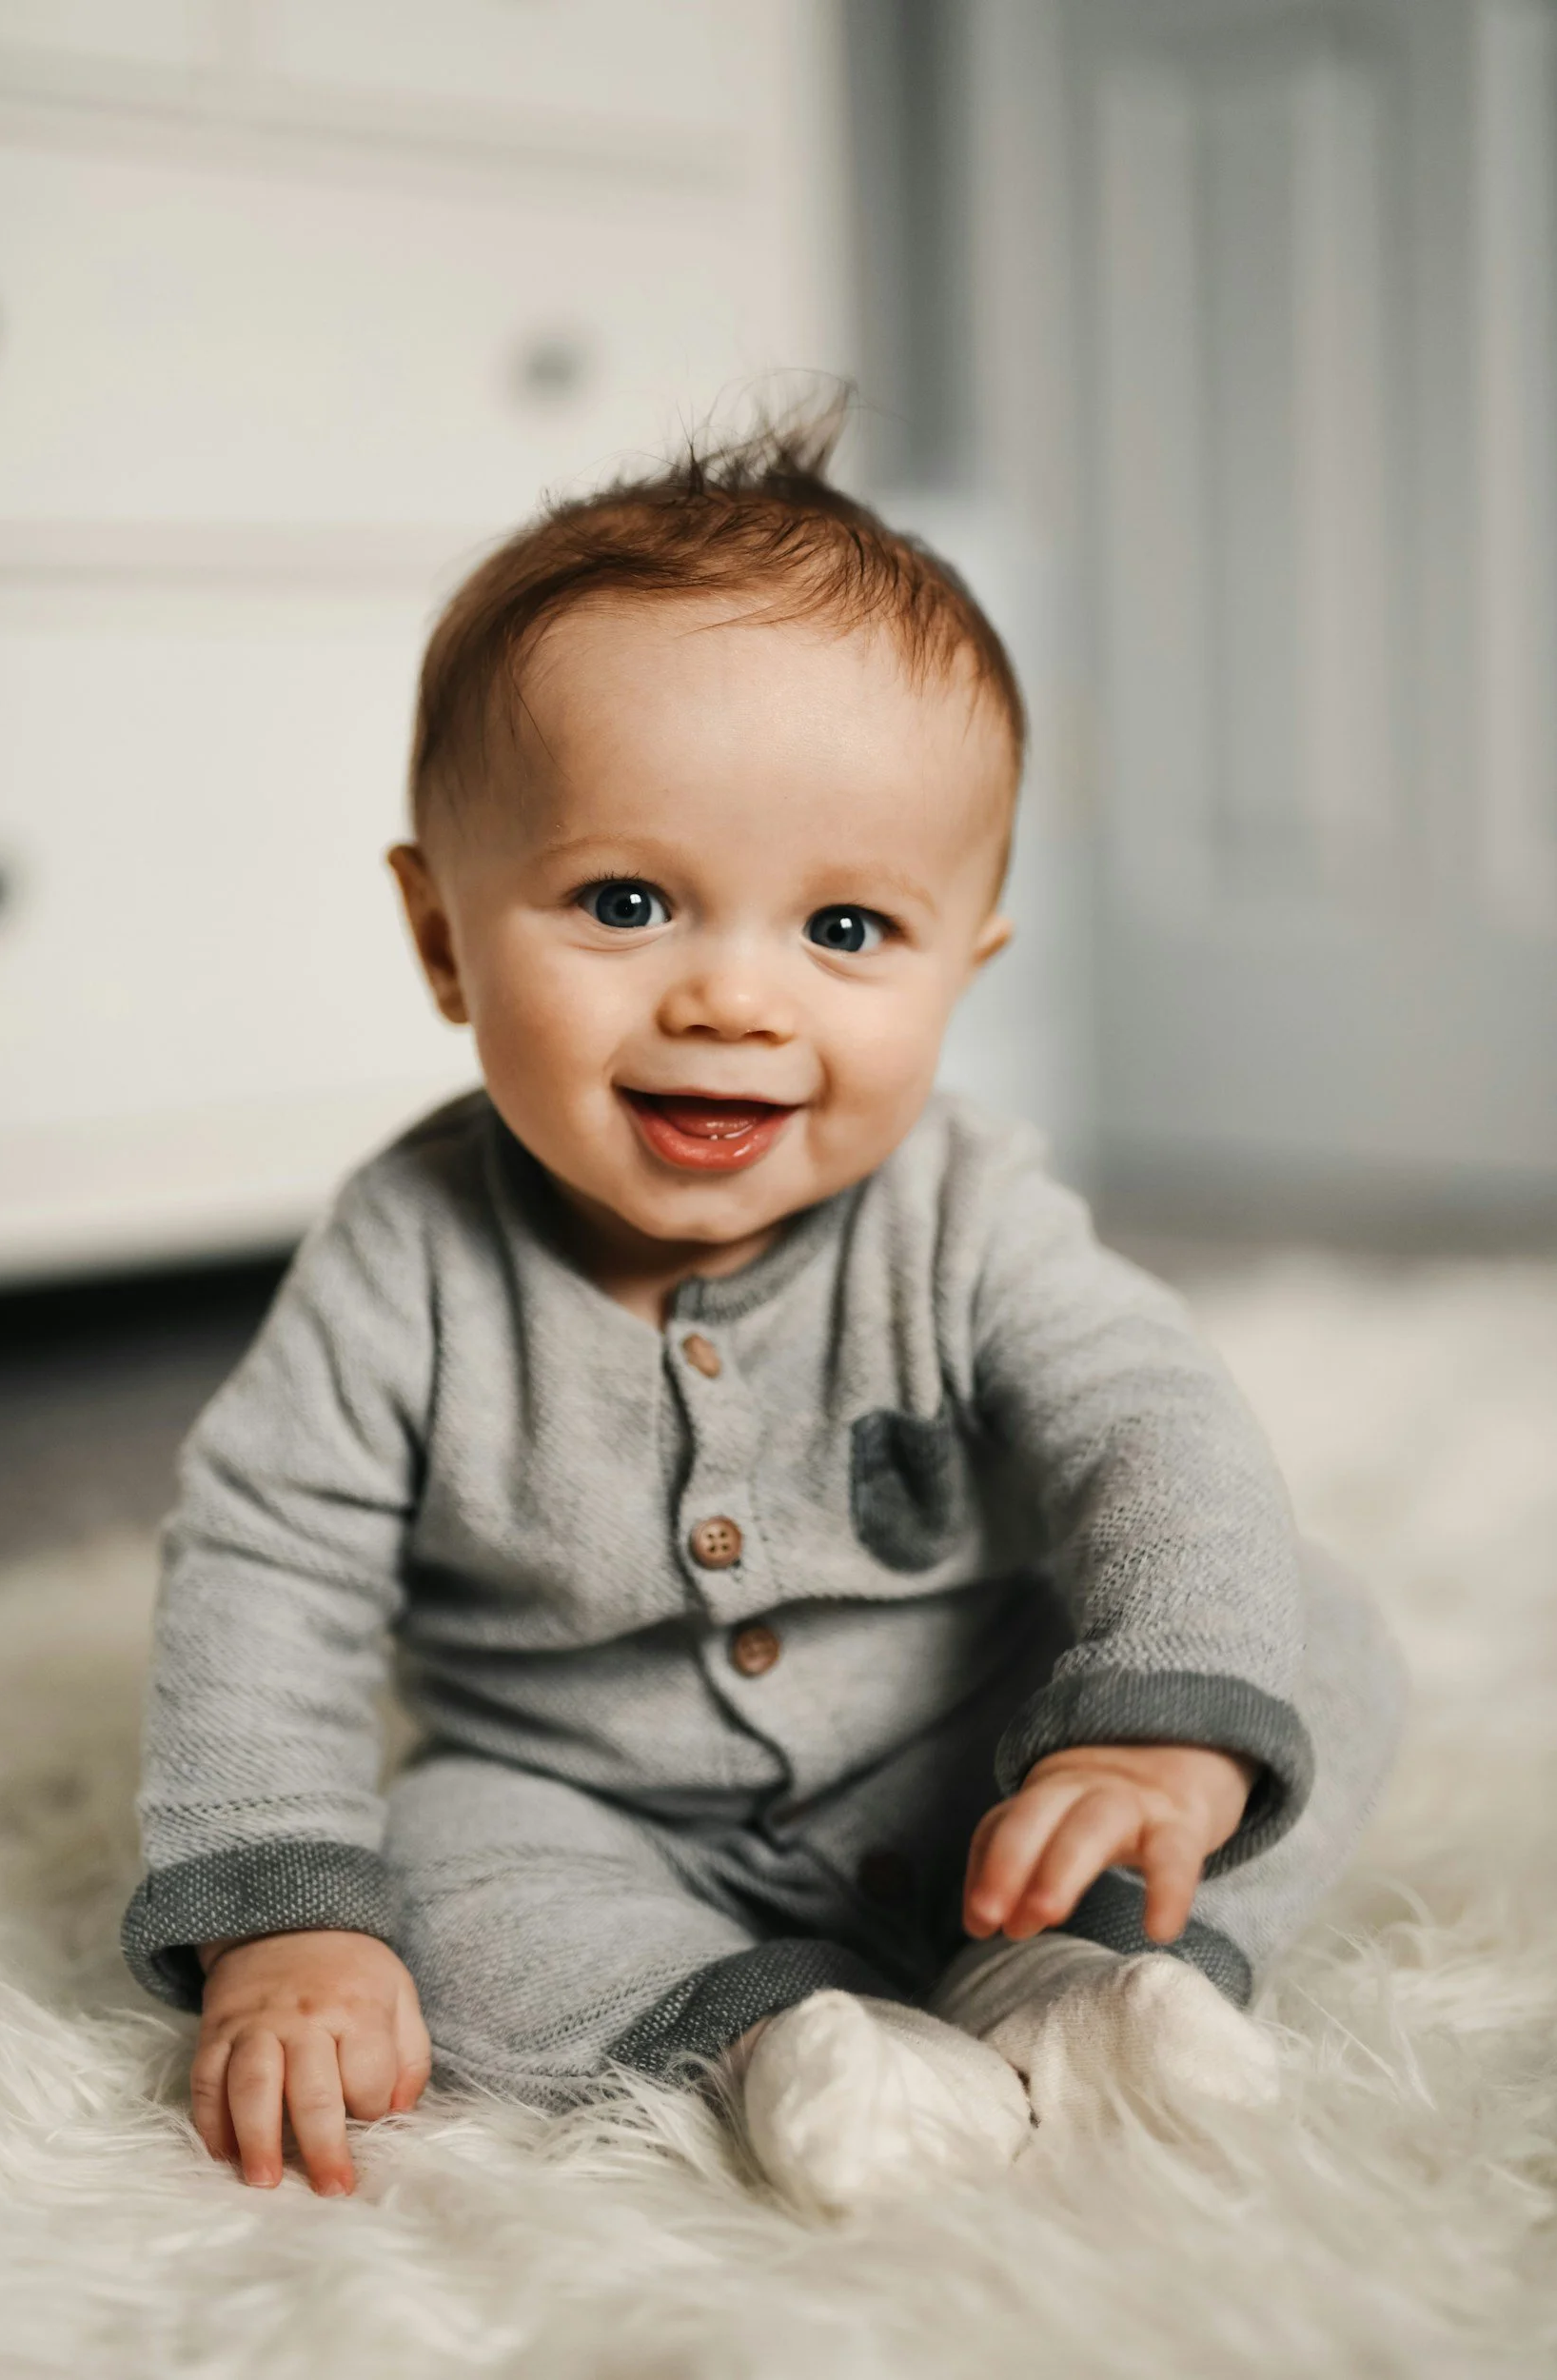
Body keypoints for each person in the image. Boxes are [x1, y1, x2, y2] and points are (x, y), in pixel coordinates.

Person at [121, 415, 1405, 2217]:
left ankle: (1106, 1983)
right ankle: (769, 2040)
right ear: (441, 938)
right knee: (434, 1864)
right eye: (627, 902)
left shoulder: (963, 1210)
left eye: (850, 929)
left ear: (967, 967)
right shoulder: (404, 1254)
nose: (734, 994)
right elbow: (270, 1566)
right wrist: (286, 1919)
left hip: (978, 1771)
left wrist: (1142, 1725)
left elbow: (1149, 1418)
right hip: (590, 1804)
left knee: (1305, 1639)